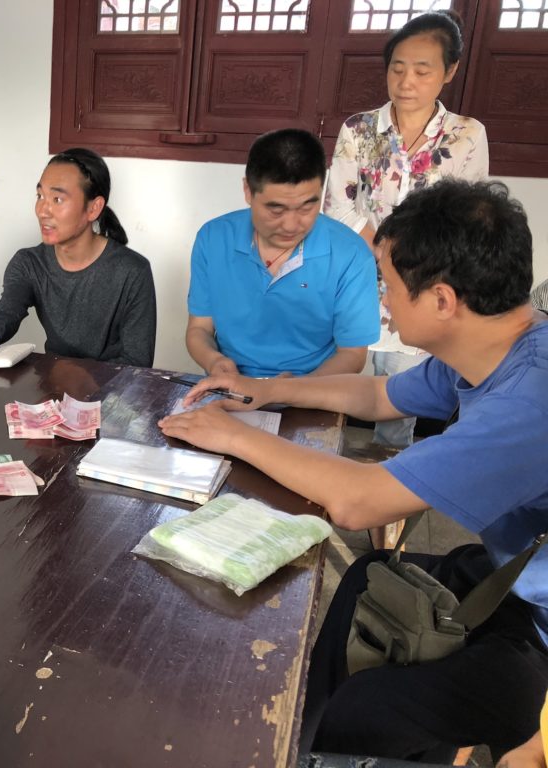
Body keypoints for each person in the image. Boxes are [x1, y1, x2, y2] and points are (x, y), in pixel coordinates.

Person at [160, 180, 548, 762]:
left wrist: (232, 435)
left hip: (537, 626)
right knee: (367, 579)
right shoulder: (495, 345)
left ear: (442, 301)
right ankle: (308, 737)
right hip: (509, 574)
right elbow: (377, 395)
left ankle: (327, 743)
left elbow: (359, 502)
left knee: (366, 710)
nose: (381, 299)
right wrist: (265, 391)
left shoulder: (529, 402)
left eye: (387, 285)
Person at [325, 10, 489, 447]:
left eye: (422, 70)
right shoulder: (358, 130)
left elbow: (468, 220)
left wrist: (409, 267)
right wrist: (385, 254)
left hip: (420, 294)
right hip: (355, 283)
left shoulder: (466, 136)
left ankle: (385, 498)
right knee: (332, 395)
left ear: (449, 71)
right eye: (397, 68)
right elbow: (338, 205)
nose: (406, 81)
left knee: (399, 410)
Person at [0, 148, 156, 367]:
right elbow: (6, 313)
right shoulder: (30, 263)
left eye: (57, 199)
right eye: (40, 196)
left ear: (94, 208)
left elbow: (137, 360)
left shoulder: (132, 271)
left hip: (112, 393)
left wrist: (85, 380)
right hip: (54, 388)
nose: (43, 210)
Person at [186, 129, 379, 378]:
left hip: (313, 391)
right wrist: (214, 362)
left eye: (307, 206)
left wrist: (287, 391)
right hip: (231, 384)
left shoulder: (351, 255)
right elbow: (199, 329)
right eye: (275, 209)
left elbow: (352, 355)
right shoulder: (213, 239)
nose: (290, 225)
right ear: (248, 191)